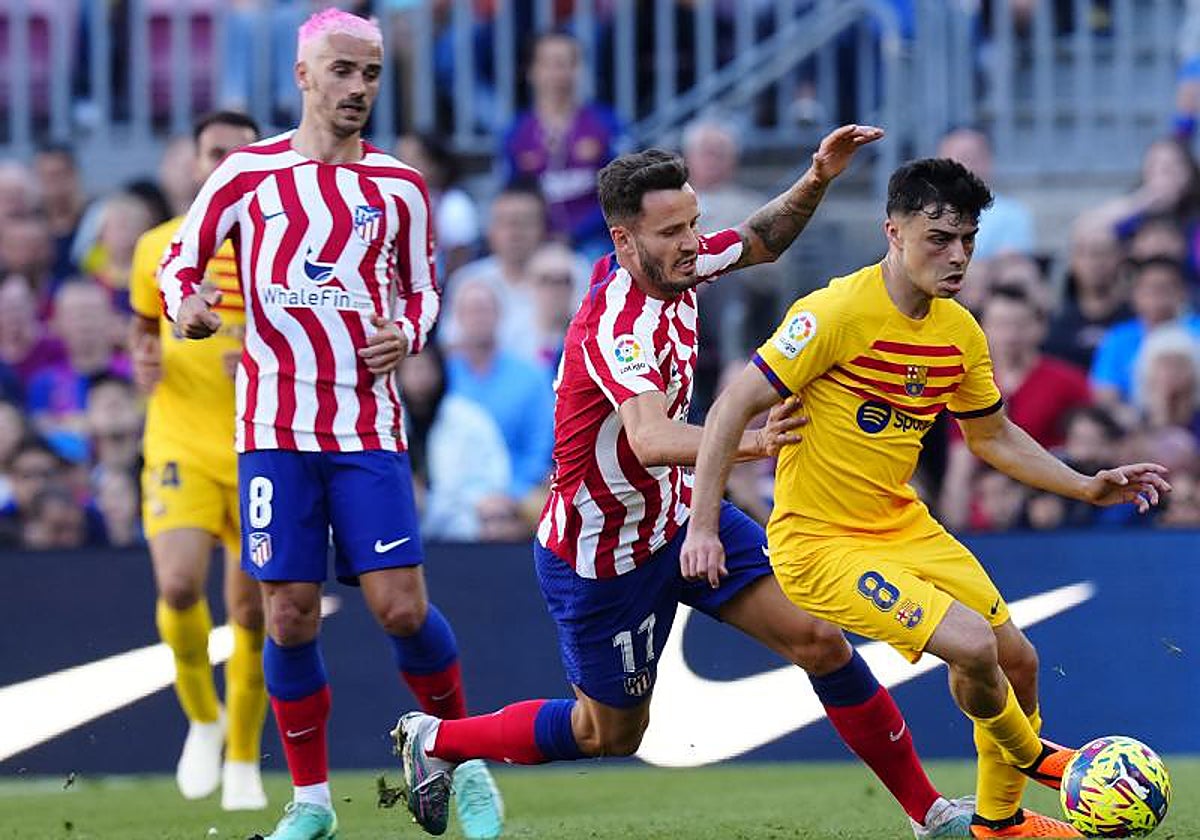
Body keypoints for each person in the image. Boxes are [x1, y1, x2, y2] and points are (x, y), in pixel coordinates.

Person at [394, 126, 984, 840]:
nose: (691, 243)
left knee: (820, 639)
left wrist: (817, 177)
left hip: (676, 514)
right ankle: (438, 739)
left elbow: (761, 239)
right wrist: (754, 441)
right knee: (608, 734)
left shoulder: (680, 264)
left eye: (693, 224)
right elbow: (649, 439)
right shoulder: (617, 325)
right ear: (623, 242)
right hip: (604, 555)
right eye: (672, 231)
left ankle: (929, 814)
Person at [681, 157, 1172, 839]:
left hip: (902, 526)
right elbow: (731, 407)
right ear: (894, 233)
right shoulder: (832, 314)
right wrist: (703, 527)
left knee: (1018, 660)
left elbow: (992, 436)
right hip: (819, 543)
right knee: (971, 644)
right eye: (940, 239)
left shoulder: (958, 331)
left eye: (968, 239)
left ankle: (999, 824)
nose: (958, 255)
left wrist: (1085, 484)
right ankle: (1038, 759)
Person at [158, 9, 504, 840]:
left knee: (401, 609)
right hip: (274, 429)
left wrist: (407, 332)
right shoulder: (246, 173)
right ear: (304, 75)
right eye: (343, 70)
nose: (358, 88)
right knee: (287, 614)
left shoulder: (399, 187)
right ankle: (312, 804)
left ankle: (463, 760)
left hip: (366, 427)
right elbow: (179, 262)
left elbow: (424, 291)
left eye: (371, 73)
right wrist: (189, 306)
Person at [129, 110, 268, 811]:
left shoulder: (278, 249)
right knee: (180, 587)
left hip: (260, 444)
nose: (224, 166)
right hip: (181, 439)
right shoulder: (158, 246)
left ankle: (242, 758)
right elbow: (141, 325)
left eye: (239, 155)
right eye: (214, 153)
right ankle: (203, 719)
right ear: (193, 163)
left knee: (250, 611)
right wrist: (143, 358)